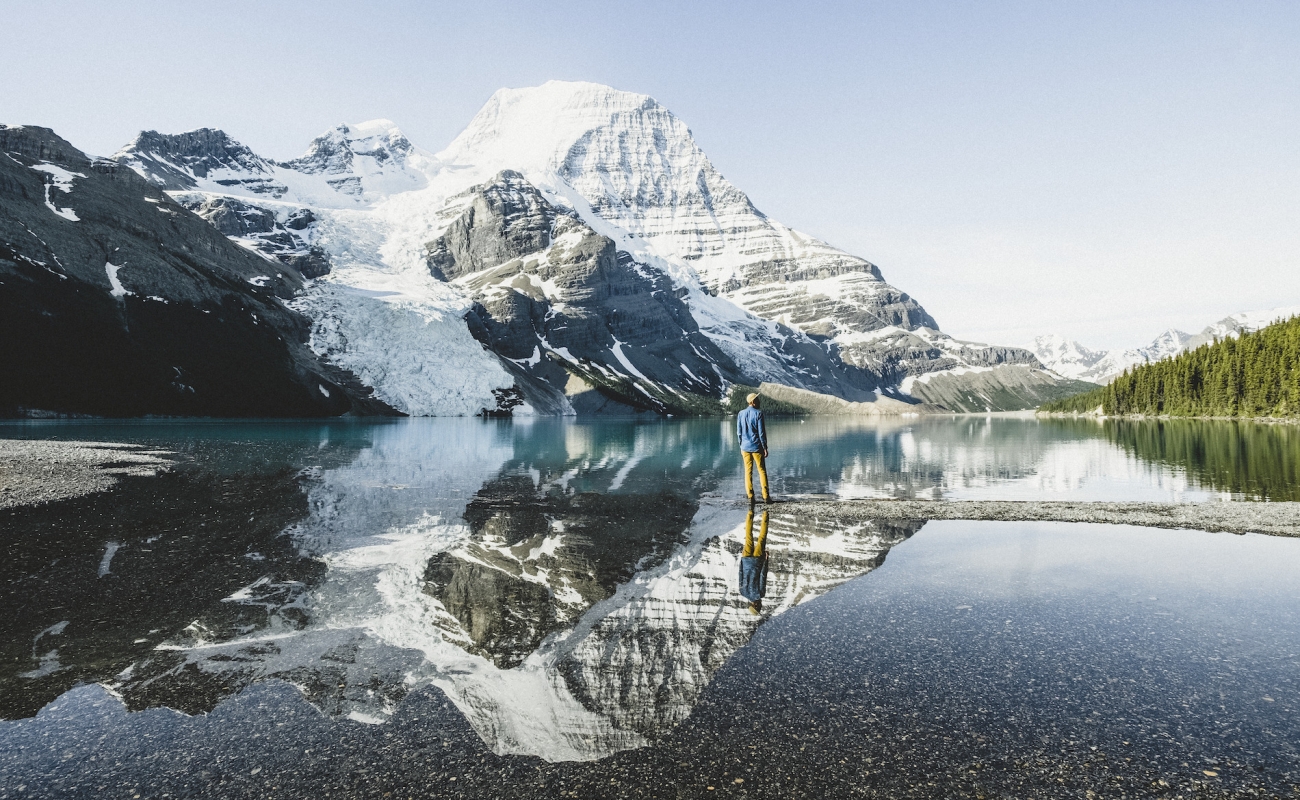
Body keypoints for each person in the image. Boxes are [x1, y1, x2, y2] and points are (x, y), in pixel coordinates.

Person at [736, 392, 770, 503]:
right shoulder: (758, 414)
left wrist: (741, 444)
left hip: (745, 447)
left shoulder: (741, 413)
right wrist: (764, 447)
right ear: (753, 402)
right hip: (757, 447)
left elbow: (739, 432)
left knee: (748, 472)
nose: (759, 401)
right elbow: (761, 433)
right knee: (762, 471)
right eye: (757, 399)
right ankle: (766, 497)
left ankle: (750, 497)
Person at [738, 507, 770, 614]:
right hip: (746, 560)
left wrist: (766, 560)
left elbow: (763, 575)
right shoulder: (742, 592)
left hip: (757, 561)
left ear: (756, 605)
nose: (761, 604)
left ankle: (765, 513)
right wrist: (742, 559)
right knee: (748, 536)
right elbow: (740, 573)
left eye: (759, 607)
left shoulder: (760, 594)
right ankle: (750, 512)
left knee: (762, 538)